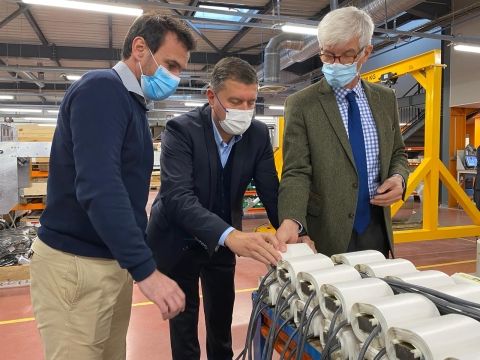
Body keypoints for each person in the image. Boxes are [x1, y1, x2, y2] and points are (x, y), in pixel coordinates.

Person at [29, 13, 195, 360]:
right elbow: (100, 186)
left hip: (109, 264)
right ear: (139, 48)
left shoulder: (132, 105)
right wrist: (145, 269)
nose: (174, 78)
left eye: (180, 70)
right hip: (75, 269)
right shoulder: (102, 89)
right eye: (170, 64)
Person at [146, 57, 282, 360]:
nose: (244, 111)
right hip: (177, 240)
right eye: (235, 101)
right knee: (184, 328)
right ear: (211, 96)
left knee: (221, 321)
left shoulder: (257, 135)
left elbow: (270, 190)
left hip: (222, 244)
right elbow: (178, 198)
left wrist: (290, 230)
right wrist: (230, 236)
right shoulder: (181, 131)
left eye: (251, 102)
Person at [276, 6, 409, 257]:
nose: (335, 64)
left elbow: (398, 153)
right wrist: (292, 219)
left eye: (346, 56)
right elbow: (296, 171)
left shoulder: (385, 98)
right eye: (328, 55)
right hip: (323, 232)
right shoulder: (302, 104)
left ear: (366, 52)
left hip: (376, 227)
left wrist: (399, 178)